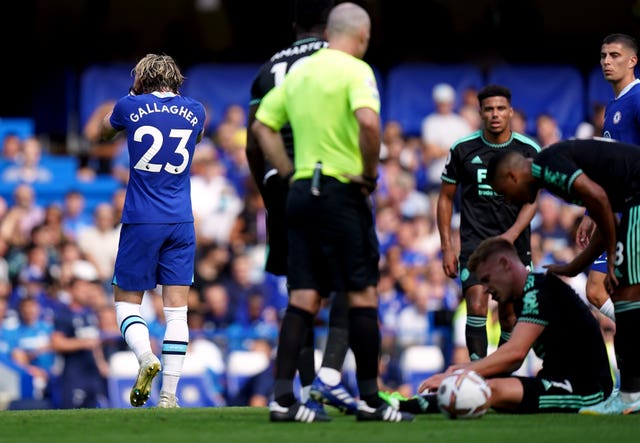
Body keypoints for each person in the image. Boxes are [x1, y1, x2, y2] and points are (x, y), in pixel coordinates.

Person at [252, 2, 413, 423]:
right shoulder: (355, 70)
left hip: (300, 192)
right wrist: (370, 174)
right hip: (341, 188)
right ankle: (370, 400)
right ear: (361, 35)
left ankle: (284, 399)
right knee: (361, 294)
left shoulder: (301, 71)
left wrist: (289, 174)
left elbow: (261, 127)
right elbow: (369, 124)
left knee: (303, 295)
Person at [245, 0, 356, 417]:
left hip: (279, 184)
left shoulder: (266, 69)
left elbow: (254, 141)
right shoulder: (335, 61)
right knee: (351, 280)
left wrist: (267, 190)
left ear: (293, 24)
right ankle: (329, 378)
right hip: (321, 176)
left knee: (301, 288)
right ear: (329, 27)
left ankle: (305, 391)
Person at [486, 137, 640, 414]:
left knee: (628, 295)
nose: (511, 201)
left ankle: (631, 394)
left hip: (638, 195)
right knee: (628, 297)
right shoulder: (553, 172)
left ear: (512, 175)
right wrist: (574, 267)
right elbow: (603, 214)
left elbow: (601, 202)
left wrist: (613, 261)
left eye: (505, 193)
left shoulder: (545, 168)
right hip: (632, 198)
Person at [99, 53, 206, 409]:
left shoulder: (129, 106)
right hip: (181, 220)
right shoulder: (197, 110)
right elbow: (198, 136)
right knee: (177, 312)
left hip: (142, 219)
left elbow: (102, 129)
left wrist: (132, 95)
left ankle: (146, 357)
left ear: (141, 79)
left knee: (126, 303)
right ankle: (169, 396)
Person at [398, 237, 613, 414]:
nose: (486, 290)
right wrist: (461, 372)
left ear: (504, 264)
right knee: (488, 389)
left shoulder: (539, 291)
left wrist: (456, 376)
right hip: (557, 380)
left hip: (587, 390)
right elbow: (509, 362)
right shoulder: (525, 295)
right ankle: (413, 403)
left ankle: (408, 405)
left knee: (489, 390)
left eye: (487, 279)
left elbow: (515, 354)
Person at [437, 84, 540, 363]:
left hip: (514, 243)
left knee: (509, 316)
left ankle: (501, 375)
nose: (495, 114)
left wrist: (511, 235)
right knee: (477, 304)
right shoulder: (462, 149)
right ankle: (476, 373)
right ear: (480, 113)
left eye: (500, 109)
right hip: (475, 242)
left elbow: (533, 200)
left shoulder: (529, 149)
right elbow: (445, 198)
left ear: (510, 112)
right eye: (489, 109)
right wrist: (447, 246)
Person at [576, 33, 640, 323]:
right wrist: (591, 211)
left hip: (634, 212)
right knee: (595, 290)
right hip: (614, 214)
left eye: (614, 55)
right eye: (603, 56)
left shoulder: (638, 99)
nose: (606, 62)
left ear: (632, 60)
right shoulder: (613, 107)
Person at [421, 82, 472, 190]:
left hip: (459, 179)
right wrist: (454, 150)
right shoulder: (430, 122)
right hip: (437, 178)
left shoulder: (461, 123)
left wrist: (444, 150)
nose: (444, 106)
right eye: (441, 103)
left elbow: (467, 152)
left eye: (446, 102)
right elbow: (431, 151)